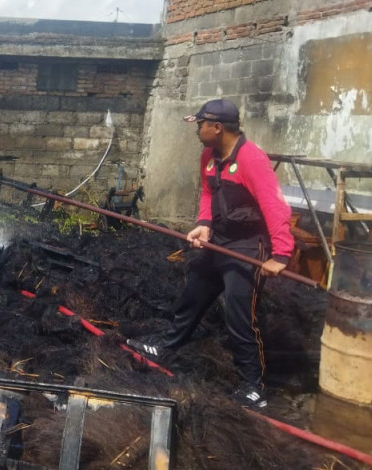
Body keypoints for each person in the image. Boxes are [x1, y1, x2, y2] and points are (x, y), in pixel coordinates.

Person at [126, 99, 293, 409]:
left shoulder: (251, 159)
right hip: (219, 239)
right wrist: (203, 225)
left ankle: (253, 386)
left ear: (218, 127)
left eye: (201, 124)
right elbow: (207, 193)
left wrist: (281, 254)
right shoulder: (209, 155)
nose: (197, 130)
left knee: (239, 315)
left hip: (247, 245)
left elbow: (275, 206)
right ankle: (166, 347)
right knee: (192, 295)